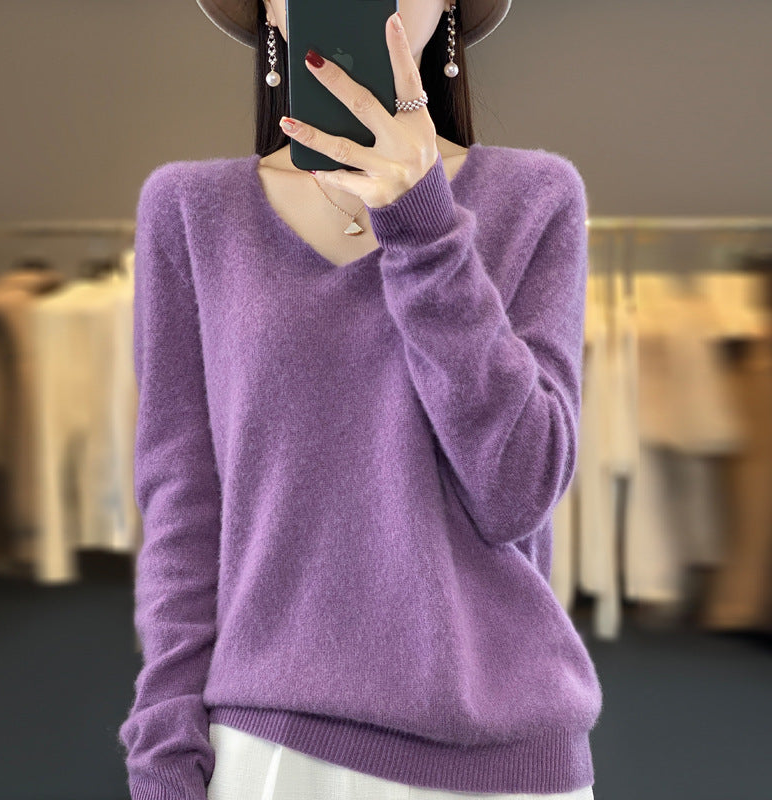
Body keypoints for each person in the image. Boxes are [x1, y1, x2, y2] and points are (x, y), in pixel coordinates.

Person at [117, 1, 603, 799]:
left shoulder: (535, 196)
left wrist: (425, 226)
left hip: (505, 761)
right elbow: (183, 508)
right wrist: (163, 752)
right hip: (271, 749)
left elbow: (518, 491)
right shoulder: (190, 211)